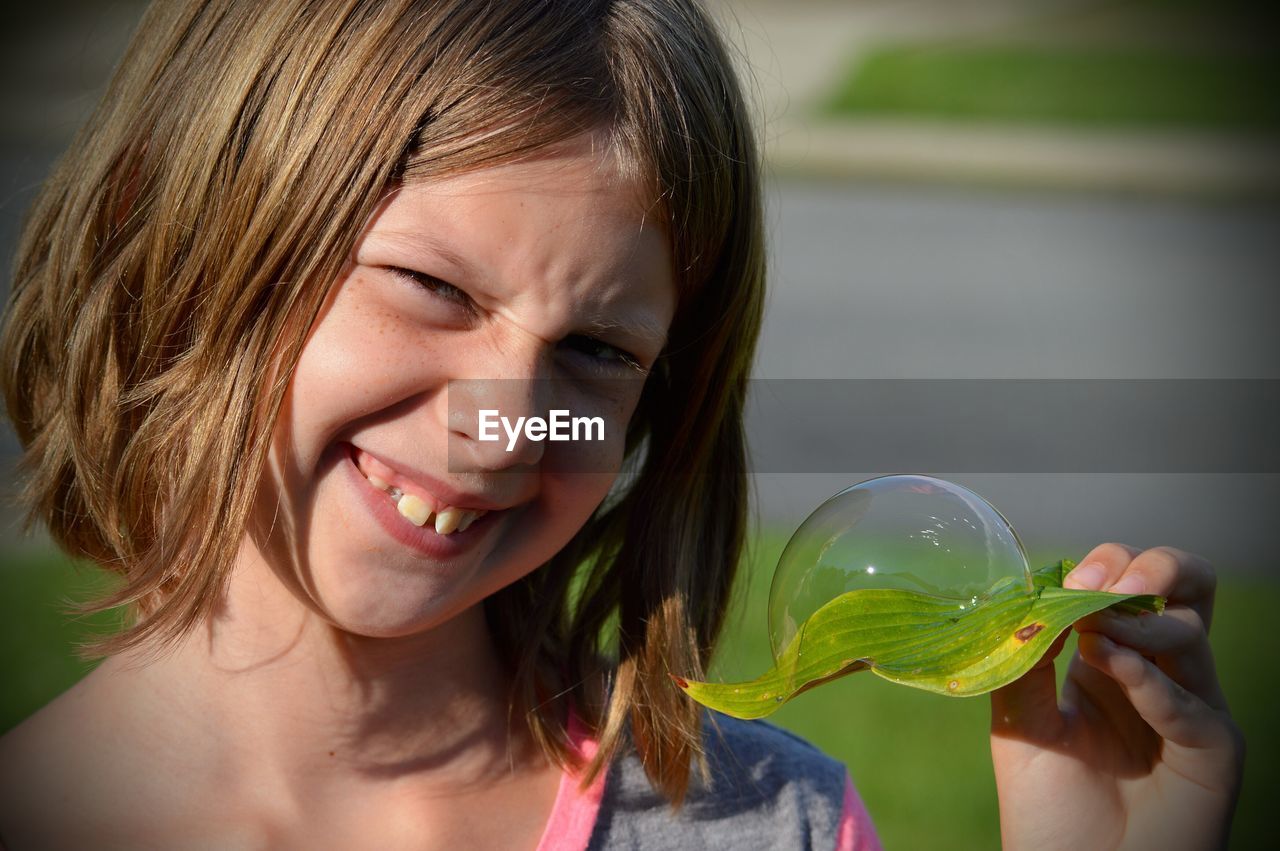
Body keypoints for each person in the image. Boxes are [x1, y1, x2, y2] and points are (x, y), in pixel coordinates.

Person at [0, 1, 1243, 848]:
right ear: (196, 241)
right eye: (432, 287)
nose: (500, 430)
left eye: (596, 352)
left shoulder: (763, 819)